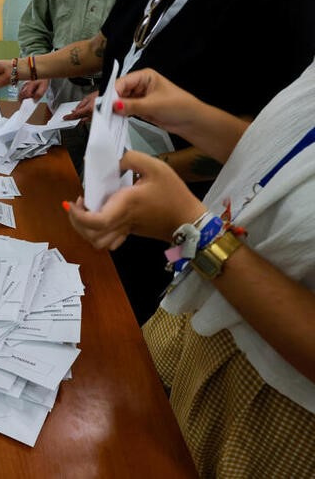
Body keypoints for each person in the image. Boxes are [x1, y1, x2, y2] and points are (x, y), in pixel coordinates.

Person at [0, 0, 315, 324]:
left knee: (136, 307)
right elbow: (105, 46)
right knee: (96, 292)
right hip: (133, 186)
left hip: (191, 210)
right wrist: (26, 68)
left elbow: (267, 140)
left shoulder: (281, 4)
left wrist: (163, 182)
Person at [65, 64, 315, 476]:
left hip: (269, 409)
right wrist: (190, 115)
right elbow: (284, 160)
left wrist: (196, 234)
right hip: (194, 322)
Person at [16, 0, 117, 109]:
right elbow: (34, 29)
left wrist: (115, 92)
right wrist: (37, 70)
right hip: (61, 92)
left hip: (115, 92)